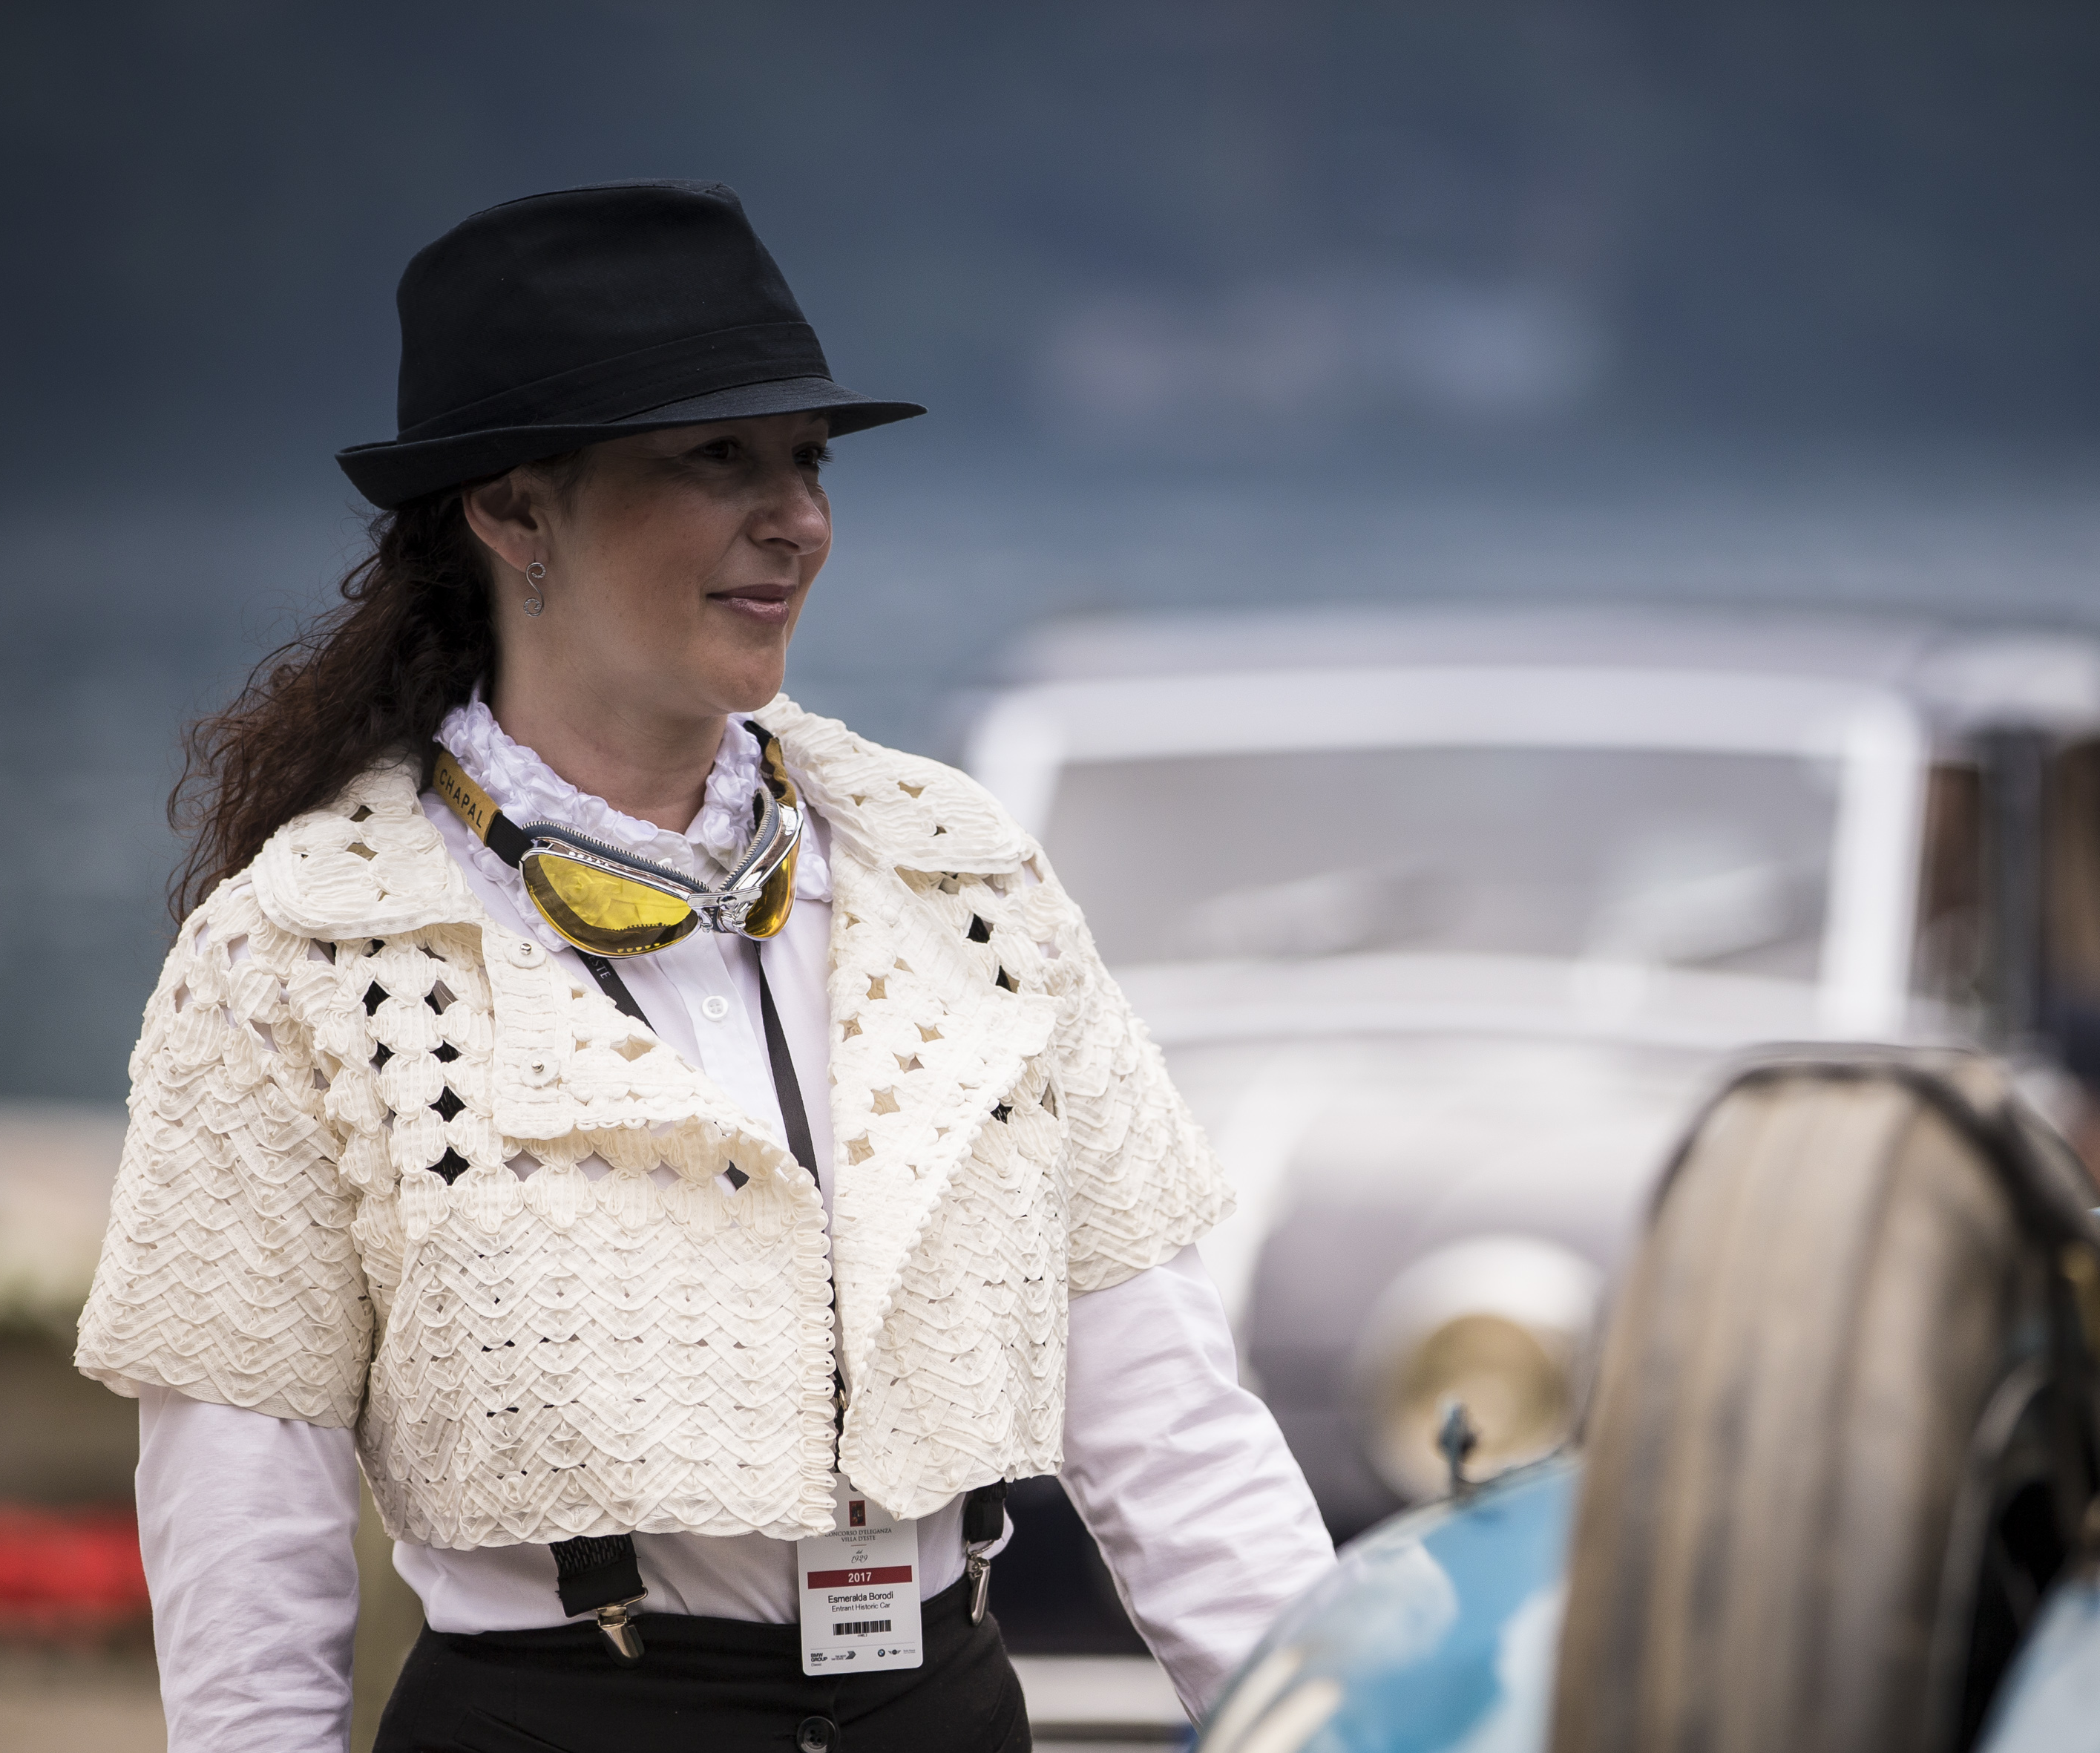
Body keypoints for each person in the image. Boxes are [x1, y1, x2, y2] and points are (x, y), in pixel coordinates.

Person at [75, 180, 1334, 1753]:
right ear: (513, 513)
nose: (795, 516)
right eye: (717, 457)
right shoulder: (300, 956)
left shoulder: (965, 880)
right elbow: (246, 1578)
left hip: (943, 1714)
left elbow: (1176, 1433)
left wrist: (1348, 1730)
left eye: (806, 459)